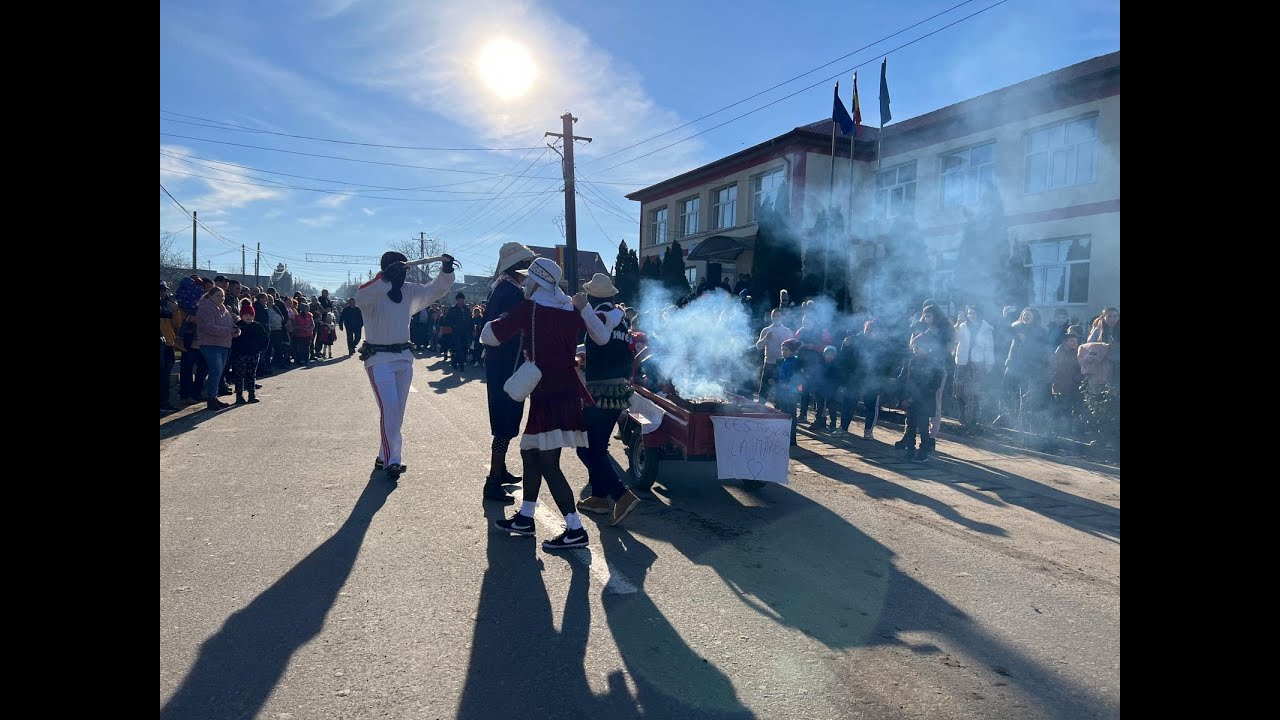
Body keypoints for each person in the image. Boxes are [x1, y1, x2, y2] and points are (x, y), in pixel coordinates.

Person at [483, 258, 595, 550]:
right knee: (530, 452)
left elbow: (490, 336)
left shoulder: (530, 308)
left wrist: (494, 318)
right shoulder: (570, 308)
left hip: (548, 392)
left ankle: (575, 528)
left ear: (535, 281)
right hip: (566, 390)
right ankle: (525, 517)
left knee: (548, 462)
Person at [355, 252, 458, 480]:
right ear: (385, 269)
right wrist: (384, 278)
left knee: (397, 412)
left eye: (403, 270)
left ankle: (384, 454)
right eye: (396, 270)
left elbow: (435, 290)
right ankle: (394, 459)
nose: (401, 274)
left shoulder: (410, 290)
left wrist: (447, 271)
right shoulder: (372, 292)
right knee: (389, 408)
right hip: (379, 359)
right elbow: (361, 296)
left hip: (403, 358)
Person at [572, 273, 642, 526]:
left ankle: (620, 495)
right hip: (618, 390)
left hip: (601, 390)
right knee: (597, 447)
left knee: (587, 448)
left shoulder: (600, 316)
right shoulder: (620, 320)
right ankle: (600, 497)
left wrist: (583, 310)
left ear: (591, 296)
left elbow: (600, 338)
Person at [479, 242, 536, 502]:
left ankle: (499, 471)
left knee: (507, 421)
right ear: (518, 267)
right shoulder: (511, 292)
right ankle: (493, 481)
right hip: (507, 364)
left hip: (502, 363)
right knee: (505, 423)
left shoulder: (501, 288)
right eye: (526, 264)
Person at [894, 330, 945, 461]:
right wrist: (901, 396)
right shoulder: (910, 362)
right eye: (914, 347)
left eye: (918, 347)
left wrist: (912, 398)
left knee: (923, 428)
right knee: (910, 427)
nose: (915, 349)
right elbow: (903, 378)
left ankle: (923, 453)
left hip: (924, 402)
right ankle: (910, 451)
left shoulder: (934, 364)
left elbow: (932, 385)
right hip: (910, 401)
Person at [195, 286, 241, 411]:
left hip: (224, 344)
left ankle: (214, 397)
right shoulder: (205, 308)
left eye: (223, 296)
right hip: (210, 344)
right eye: (218, 296)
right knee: (215, 371)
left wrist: (236, 330)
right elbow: (208, 327)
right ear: (210, 296)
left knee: (219, 372)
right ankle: (211, 399)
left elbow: (231, 325)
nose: (221, 298)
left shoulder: (224, 310)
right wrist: (228, 331)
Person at [953, 305, 995, 433]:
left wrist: (989, 363)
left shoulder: (986, 328)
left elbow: (989, 347)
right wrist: (956, 325)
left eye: (974, 313)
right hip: (962, 362)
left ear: (979, 313)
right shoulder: (962, 326)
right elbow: (954, 339)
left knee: (973, 394)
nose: (971, 315)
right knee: (959, 391)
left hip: (977, 364)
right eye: (969, 313)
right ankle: (963, 417)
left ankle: (972, 422)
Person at [229, 301, 269, 405]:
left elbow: (265, 338)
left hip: (254, 353)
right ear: (241, 315)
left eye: (250, 314)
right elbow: (232, 340)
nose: (248, 317)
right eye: (246, 314)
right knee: (239, 375)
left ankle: (251, 394)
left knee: (251, 374)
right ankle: (239, 395)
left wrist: (260, 348)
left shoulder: (257, 326)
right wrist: (234, 350)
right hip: (240, 354)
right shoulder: (238, 326)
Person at [754, 309, 793, 403]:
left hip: (782, 364)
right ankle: (760, 409)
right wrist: (766, 338)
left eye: (778, 316)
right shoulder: (766, 330)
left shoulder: (787, 331)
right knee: (764, 389)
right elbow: (758, 346)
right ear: (771, 317)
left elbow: (793, 349)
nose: (776, 318)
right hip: (769, 363)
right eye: (774, 316)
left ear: (782, 317)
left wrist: (784, 342)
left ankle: (779, 411)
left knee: (780, 390)